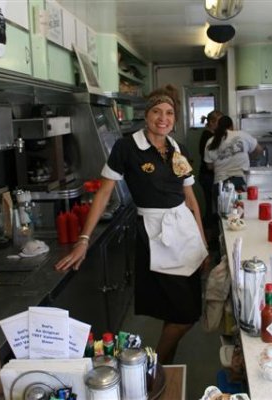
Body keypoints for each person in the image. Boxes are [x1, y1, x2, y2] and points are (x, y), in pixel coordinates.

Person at [55, 84, 209, 364]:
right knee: (185, 316)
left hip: (186, 236)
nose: (163, 118)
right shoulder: (127, 147)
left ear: (175, 118)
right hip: (156, 236)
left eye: (170, 113)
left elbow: (191, 201)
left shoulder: (178, 148)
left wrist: (203, 244)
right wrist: (83, 240)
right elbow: (103, 194)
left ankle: (164, 369)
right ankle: (154, 371)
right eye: (157, 111)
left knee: (180, 313)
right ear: (146, 115)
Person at [203, 115, 262, 194]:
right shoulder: (242, 135)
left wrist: (222, 163)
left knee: (222, 206)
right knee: (240, 206)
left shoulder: (210, 141)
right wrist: (249, 157)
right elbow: (259, 149)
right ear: (232, 126)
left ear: (218, 126)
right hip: (240, 182)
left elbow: (209, 166)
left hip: (220, 184)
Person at [198, 110, 223, 237]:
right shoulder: (208, 137)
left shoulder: (209, 135)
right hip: (207, 176)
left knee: (211, 206)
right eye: (220, 122)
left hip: (207, 175)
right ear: (212, 122)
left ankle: (210, 234)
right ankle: (209, 235)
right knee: (212, 207)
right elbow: (210, 162)